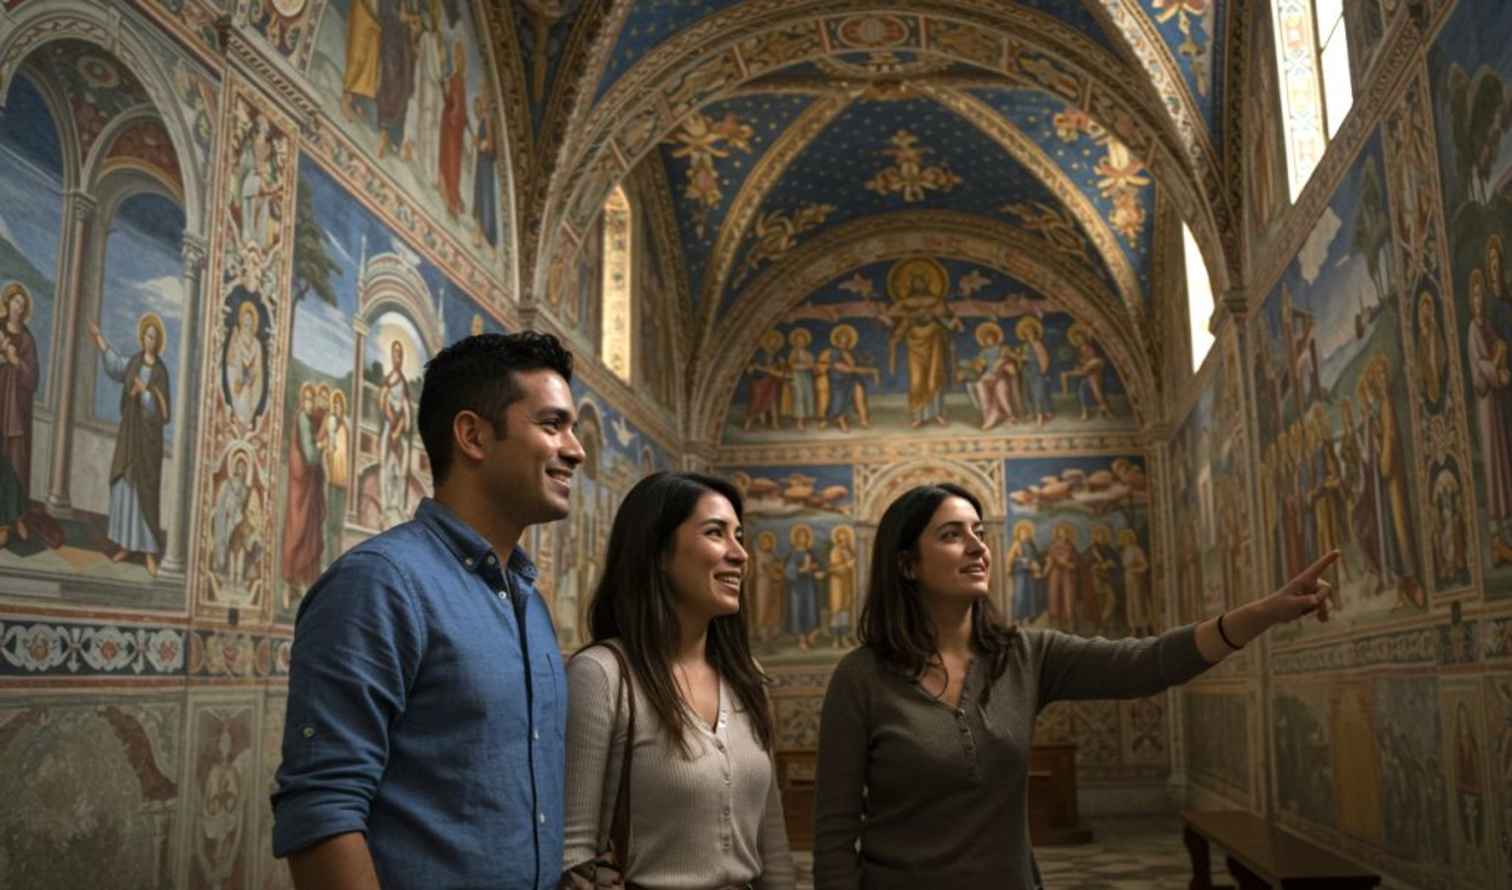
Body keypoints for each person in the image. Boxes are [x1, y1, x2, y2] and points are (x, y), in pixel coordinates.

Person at [812, 483, 1338, 889]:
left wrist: (1265, 613)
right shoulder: (861, 679)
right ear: (906, 564)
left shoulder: (1024, 656)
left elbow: (1150, 663)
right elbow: (834, 833)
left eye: (979, 531)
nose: (977, 547)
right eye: (952, 535)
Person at [272, 331, 584, 890]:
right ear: (472, 436)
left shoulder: (529, 602)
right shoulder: (380, 586)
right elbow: (323, 812)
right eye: (552, 425)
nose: (575, 448)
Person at [562, 472, 795, 890]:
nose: (740, 554)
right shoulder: (602, 675)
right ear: (658, 553)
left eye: (739, 536)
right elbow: (573, 854)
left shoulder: (747, 679)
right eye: (715, 533)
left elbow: (772, 850)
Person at [90, 315, 170, 576]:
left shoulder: (160, 371)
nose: (150, 340)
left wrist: (145, 393)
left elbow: (163, 412)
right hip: (130, 435)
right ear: (142, 338)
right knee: (126, 487)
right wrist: (100, 340)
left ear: (158, 342)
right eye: (147, 336)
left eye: (154, 337)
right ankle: (126, 544)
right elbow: (115, 366)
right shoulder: (134, 362)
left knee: (146, 492)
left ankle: (148, 552)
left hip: (148, 443)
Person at [0, 282, 39, 549]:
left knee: (15, 460)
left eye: (22, 305)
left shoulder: (27, 339)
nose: (19, 307)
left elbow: (33, 377)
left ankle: (16, 518)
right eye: (15, 302)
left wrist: (16, 362)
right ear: (8, 303)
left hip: (17, 409)